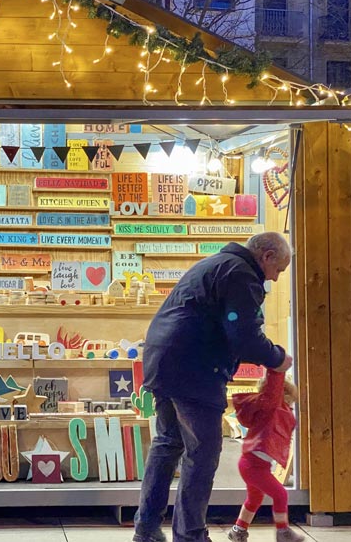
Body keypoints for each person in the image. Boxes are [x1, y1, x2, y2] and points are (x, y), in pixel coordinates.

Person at [134, 231, 293, 542]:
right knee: (202, 453)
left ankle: (147, 528)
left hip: (162, 361)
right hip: (196, 369)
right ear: (267, 256)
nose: (273, 279)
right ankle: (190, 535)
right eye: (278, 271)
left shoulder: (214, 264)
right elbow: (244, 336)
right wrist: (277, 358)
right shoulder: (241, 273)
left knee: (167, 446)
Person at [227, 370, 304, 542]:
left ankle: (238, 530)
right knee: (280, 494)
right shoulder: (269, 406)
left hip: (255, 464)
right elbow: (272, 392)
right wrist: (277, 366)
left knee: (255, 498)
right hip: (252, 466)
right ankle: (283, 532)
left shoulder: (276, 410)